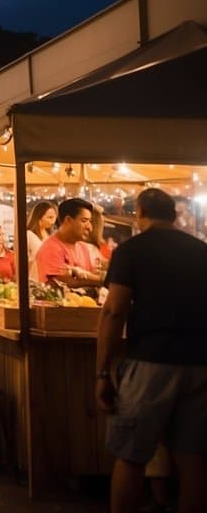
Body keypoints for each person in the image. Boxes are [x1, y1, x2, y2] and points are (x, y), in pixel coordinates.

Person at [96, 187, 207, 513]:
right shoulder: (202, 251)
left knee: (131, 456)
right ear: (173, 214)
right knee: (194, 461)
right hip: (201, 363)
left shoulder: (131, 251)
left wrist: (103, 372)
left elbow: (115, 311)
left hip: (150, 362)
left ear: (140, 212)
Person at [35, 198, 95, 284]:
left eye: (90, 221)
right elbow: (67, 282)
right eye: (84, 221)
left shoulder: (83, 247)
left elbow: (90, 276)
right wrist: (101, 280)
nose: (89, 227)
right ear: (68, 220)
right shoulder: (51, 248)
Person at [24, 200, 58, 280]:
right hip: (33, 281)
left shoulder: (51, 236)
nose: (53, 221)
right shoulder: (29, 235)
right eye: (50, 217)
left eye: (54, 218)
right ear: (39, 217)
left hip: (50, 282)